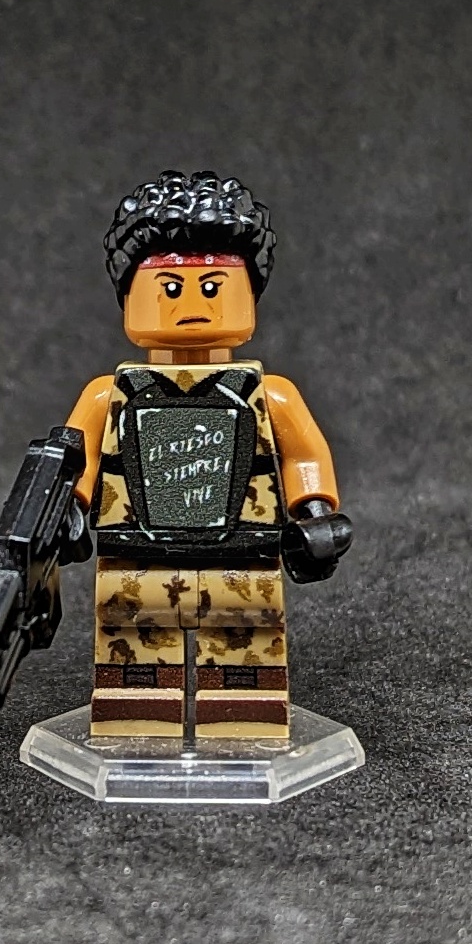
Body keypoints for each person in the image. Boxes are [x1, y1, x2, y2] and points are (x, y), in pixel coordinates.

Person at [61, 171, 352, 739]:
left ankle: (244, 725)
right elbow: (78, 459)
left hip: (244, 559)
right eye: (170, 288)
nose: (192, 304)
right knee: (135, 663)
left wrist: (315, 510)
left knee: (246, 661)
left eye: (213, 287)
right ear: (130, 299)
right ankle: (136, 726)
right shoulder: (108, 396)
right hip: (135, 562)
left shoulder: (270, 396)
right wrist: (69, 506)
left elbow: (304, 456)